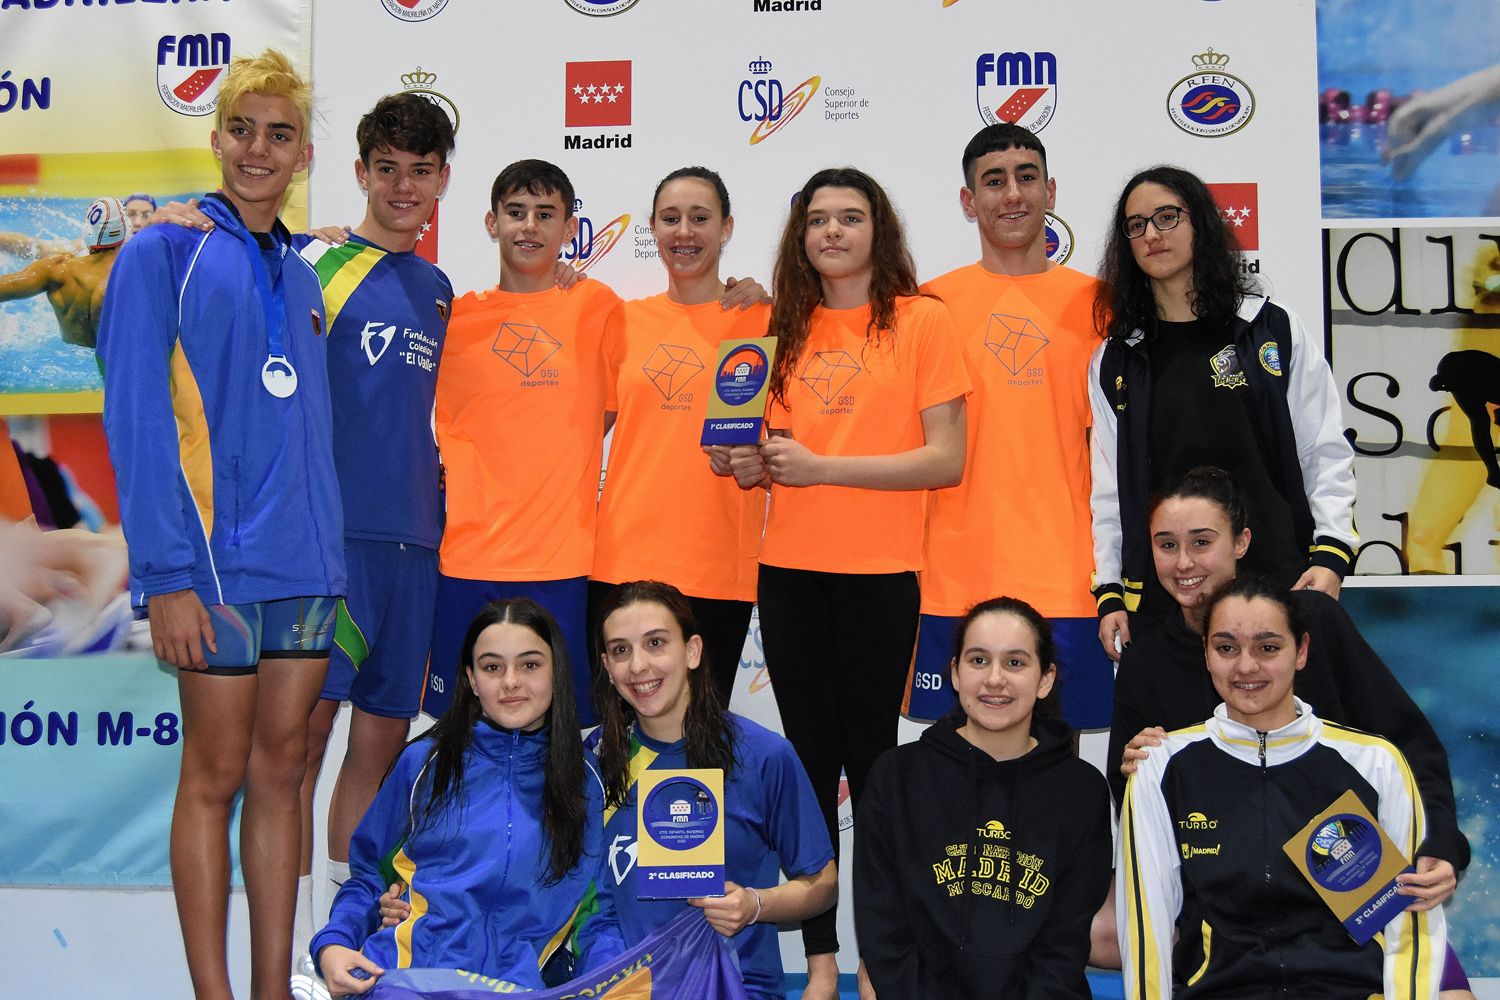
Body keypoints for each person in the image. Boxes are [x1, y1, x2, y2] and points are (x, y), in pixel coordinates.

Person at [95, 48, 345, 1000]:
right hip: (210, 569)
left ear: (302, 155)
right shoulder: (160, 251)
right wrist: (165, 575)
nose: (258, 150)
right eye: (242, 130)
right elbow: (135, 419)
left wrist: (330, 562)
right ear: (216, 138)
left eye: (279, 135)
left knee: (283, 773)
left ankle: (272, 989)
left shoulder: (306, 275)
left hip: (305, 571)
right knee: (215, 773)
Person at [724, 166, 970, 997]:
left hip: (879, 574)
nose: (833, 231)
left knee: (875, 767)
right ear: (800, 236)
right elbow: (762, 453)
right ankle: (822, 960)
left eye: (850, 217)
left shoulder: (921, 320)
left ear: (878, 229)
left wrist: (823, 466)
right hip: (790, 573)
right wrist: (751, 463)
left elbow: (946, 459)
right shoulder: (778, 328)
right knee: (806, 768)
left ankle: (881, 962)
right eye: (818, 219)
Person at [1102, 465, 1471, 989]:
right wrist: (1138, 768)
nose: (1184, 562)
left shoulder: (1311, 619)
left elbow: (1408, 748)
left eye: (1202, 542)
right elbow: (1138, 809)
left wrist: (1440, 846)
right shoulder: (1147, 662)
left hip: (1349, 893)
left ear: (1241, 542)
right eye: (1167, 545)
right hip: (1231, 912)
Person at [286, 91, 456, 986]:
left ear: (442, 181)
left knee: (378, 757)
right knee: (300, 748)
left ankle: (339, 941)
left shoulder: (440, 291)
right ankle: (292, 946)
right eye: (387, 168)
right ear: (360, 172)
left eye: (420, 171)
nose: (402, 187)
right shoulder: (310, 260)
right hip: (330, 548)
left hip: (415, 550)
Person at [1117, 576, 1448, 997]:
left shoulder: (1374, 763)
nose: (1246, 667)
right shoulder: (1162, 766)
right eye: (1226, 648)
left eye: (1268, 648)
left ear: (1302, 651)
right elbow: (1147, 923)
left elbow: (1410, 923)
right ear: (1206, 654)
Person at [1089, 165, 1357, 660]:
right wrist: (1110, 590)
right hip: (1170, 599)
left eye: (1167, 217)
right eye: (1136, 225)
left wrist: (1332, 552)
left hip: (1278, 582)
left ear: (1201, 223)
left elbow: (1322, 448)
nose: (1151, 234)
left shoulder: (1270, 329)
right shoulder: (1117, 358)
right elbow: (1109, 490)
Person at [910, 123, 1110, 732]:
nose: (1013, 194)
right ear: (968, 200)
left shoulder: (1104, 305)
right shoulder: (927, 306)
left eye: (1027, 178)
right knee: (954, 765)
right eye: (994, 181)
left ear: (1051, 190)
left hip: (1070, 580)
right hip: (953, 581)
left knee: (1059, 765)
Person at [312, 598, 602, 995]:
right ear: (472, 679)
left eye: (530, 665)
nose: (511, 681)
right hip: (404, 982)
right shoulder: (424, 763)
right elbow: (368, 876)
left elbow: (597, 911)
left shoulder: (587, 782)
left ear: (557, 671)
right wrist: (334, 943)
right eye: (492, 667)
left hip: (519, 989)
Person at [426, 159, 623, 727]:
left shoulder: (598, 307)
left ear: (569, 228)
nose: (529, 226)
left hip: (563, 562)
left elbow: (611, 408)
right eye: (516, 212)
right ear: (492, 222)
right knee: (461, 734)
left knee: (564, 735)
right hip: (466, 559)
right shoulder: (452, 316)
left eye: (545, 214)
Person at [577, 580, 836, 1000]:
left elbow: (823, 884)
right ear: (607, 667)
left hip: (736, 988)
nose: (638, 665)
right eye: (621, 650)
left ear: (692, 651)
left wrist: (754, 905)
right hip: (623, 990)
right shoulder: (593, 763)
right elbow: (582, 900)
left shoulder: (764, 755)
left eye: (656, 643)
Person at [855, 596, 1112, 998]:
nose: (995, 679)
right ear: (955, 673)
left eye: (1015, 662)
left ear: (1045, 679)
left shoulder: (1082, 790)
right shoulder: (896, 777)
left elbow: (1063, 946)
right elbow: (884, 930)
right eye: (978, 660)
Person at [591, 167, 770, 706]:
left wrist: (759, 460)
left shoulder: (764, 318)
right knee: (618, 733)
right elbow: (578, 430)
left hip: (716, 567)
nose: (684, 232)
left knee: (700, 733)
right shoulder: (622, 320)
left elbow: (792, 434)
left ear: (726, 227)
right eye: (671, 219)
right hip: (623, 562)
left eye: (700, 218)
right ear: (652, 228)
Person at [0, 196, 129, 347]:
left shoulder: (57, 269)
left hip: (67, 353)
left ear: (87, 231)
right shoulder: (132, 275)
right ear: (126, 230)